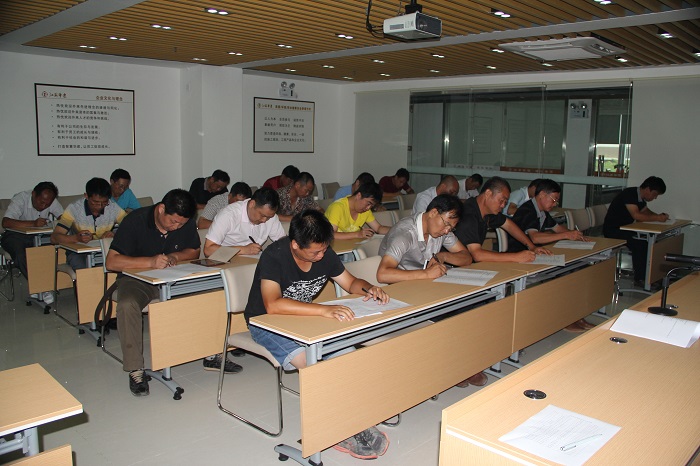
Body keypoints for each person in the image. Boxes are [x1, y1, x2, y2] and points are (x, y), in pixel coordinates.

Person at [245, 210, 391, 459]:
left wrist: (369, 288)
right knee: (315, 366)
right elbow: (273, 304)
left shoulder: (323, 251)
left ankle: (357, 420)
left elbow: (350, 282)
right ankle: (336, 430)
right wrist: (324, 310)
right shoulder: (274, 255)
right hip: (267, 324)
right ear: (295, 245)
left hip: (304, 320)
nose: (321, 256)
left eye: (324, 250)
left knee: (346, 357)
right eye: (315, 253)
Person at [105, 189, 239, 397]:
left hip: (173, 277)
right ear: (161, 209)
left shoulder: (184, 223)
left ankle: (212, 354)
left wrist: (175, 256)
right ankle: (135, 369)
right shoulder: (135, 221)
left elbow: (193, 250)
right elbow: (112, 261)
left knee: (212, 293)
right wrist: (149, 262)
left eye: (181, 224)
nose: (177, 227)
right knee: (127, 305)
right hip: (137, 279)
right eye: (173, 222)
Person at [376, 194, 482, 387]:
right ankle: (452, 366)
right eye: (446, 224)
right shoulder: (405, 233)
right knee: (450, 312)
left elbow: (467, 257)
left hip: (424, 287)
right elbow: (383, 274)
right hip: (399, 290)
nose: (447, 230)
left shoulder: (441, 231)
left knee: (470, 303)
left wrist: (443, 256)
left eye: (451, 228)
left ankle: (463, 363)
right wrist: (425, 274)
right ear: (433, 212)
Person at [507, 179, 592, 333]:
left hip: (535, 255)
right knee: (567, 274)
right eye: (554, 199)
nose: (555, 204)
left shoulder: (542, 211)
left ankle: (577, 315)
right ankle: (566, 318)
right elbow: (535, 238)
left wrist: (575, 235)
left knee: (580, 267)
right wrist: (566, 235)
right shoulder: (528, 210)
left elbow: (558, 228)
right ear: (541, 195)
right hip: (520, 257)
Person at [454, 176, 550, 264]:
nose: (503, 205)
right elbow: (477, 255)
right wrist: (516, 257)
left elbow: (508, 224)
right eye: (501, 201)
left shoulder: (486, 210)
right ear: (488, 193)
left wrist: (532, 247)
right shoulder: (468, 214)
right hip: (455, 266)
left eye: (505, 202)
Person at [1, 181, 63, 304]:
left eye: (47, 204)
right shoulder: (21, 199)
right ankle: (42, 287)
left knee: (56, 249)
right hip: (15, 236)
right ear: (34, 194)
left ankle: (48, 284)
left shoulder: (50, 199)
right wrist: (33, 223)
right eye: (41, 202)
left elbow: (64, 218)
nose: (44, 206)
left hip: (38, 235)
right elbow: (6, 222)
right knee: (21, 254)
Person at [603, 176, 668, 287]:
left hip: (625, 229)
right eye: (654, 194)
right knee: (640, 244)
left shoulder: (640, 197)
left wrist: (658, 216)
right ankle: (641, 278)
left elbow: (645, 211)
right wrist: (657, 218)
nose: (655, 198)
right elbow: (637, 215)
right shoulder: (629, 194)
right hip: (613, 230)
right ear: (648, 189)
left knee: (651, 242)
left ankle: (652, 276)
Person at [50, 177, 126, 270]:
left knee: (120, 260)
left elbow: (131, 227)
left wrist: (114, 235)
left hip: (103, 250)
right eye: (95, 202)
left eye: (104, 202)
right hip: (78, 252)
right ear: (86, 196)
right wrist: (76, 238)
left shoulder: (113, 208)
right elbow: (54, 238)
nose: (100, 206)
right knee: (82, 266)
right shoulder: (74, 209)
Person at [203, 187, 285, 258]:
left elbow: (283, 242)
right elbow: (208, 250)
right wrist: (243, 250)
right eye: (262, 215)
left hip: (253, 263)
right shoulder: (228, 215)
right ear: (252, 204)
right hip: (226, 261)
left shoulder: (271, 217)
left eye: (268, 217)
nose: (264, 220)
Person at [325, 182, 391, 240]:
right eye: (368, 203)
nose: (368, 208)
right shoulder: (337, 207)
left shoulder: (365, 210)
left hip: (351, 246)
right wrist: (358, 234)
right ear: (359, 195)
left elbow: (378, 228)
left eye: (371, 206)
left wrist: (395, 229)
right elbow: (331, 234)